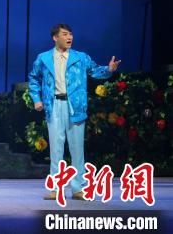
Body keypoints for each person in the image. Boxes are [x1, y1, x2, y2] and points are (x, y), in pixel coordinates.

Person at [28, 23, 120, 201]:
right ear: (55, 37)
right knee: (56, 149)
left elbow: (95, 71)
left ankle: (78, 188)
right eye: (64, 34)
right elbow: (33, 78)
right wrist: (36, 99)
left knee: (77, 149)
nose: (69, 37)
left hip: (75, 106)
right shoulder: (43, 58)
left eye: (70, 34)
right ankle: (55, 188)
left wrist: (109, 69)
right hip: (54, 105)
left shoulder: (80, 57)